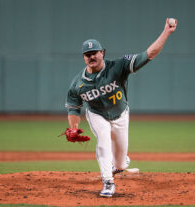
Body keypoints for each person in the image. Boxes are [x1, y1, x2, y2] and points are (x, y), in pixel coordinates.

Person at [65, 18, 177, 197]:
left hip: (121, 115)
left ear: (102, 53)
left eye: (95, 52)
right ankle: (108, 182)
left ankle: (119, 164)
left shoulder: (119, 66)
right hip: (96, 114)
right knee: (102, 139)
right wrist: (73, 127)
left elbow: (149, 54)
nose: (92, 56)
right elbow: (73, 107)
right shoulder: (77, 83)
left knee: (121, 164)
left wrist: (166, 32)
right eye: (88, 54)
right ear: (84, 57)